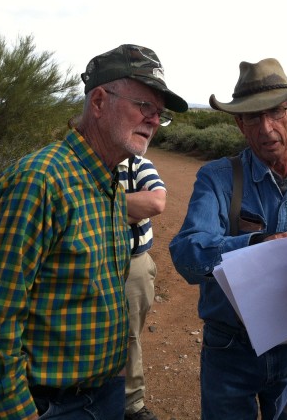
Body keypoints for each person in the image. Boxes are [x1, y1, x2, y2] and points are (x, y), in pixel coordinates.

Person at [0, 44, 187, 420]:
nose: (152, 119)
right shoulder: (39, 182)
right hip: (48, 405)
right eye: (143, 106)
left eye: (159, 113)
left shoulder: (110, 181)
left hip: (103, 394)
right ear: (99, 101)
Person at [169, 58, 287, 419]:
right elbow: (186, 253)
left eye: (276, 113)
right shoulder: (218, 179)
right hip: (231, 347)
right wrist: (253, 245)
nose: (266, 128)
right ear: (239, 124)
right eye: (253, 117)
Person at [118, 155, 167, 420]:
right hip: (92, 261)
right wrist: (131, 206)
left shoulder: (139, 165)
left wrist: (97, 205)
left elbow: (156, 202)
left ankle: (131, 403)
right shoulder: (81, 165)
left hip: (133, 264)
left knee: (129, 336)